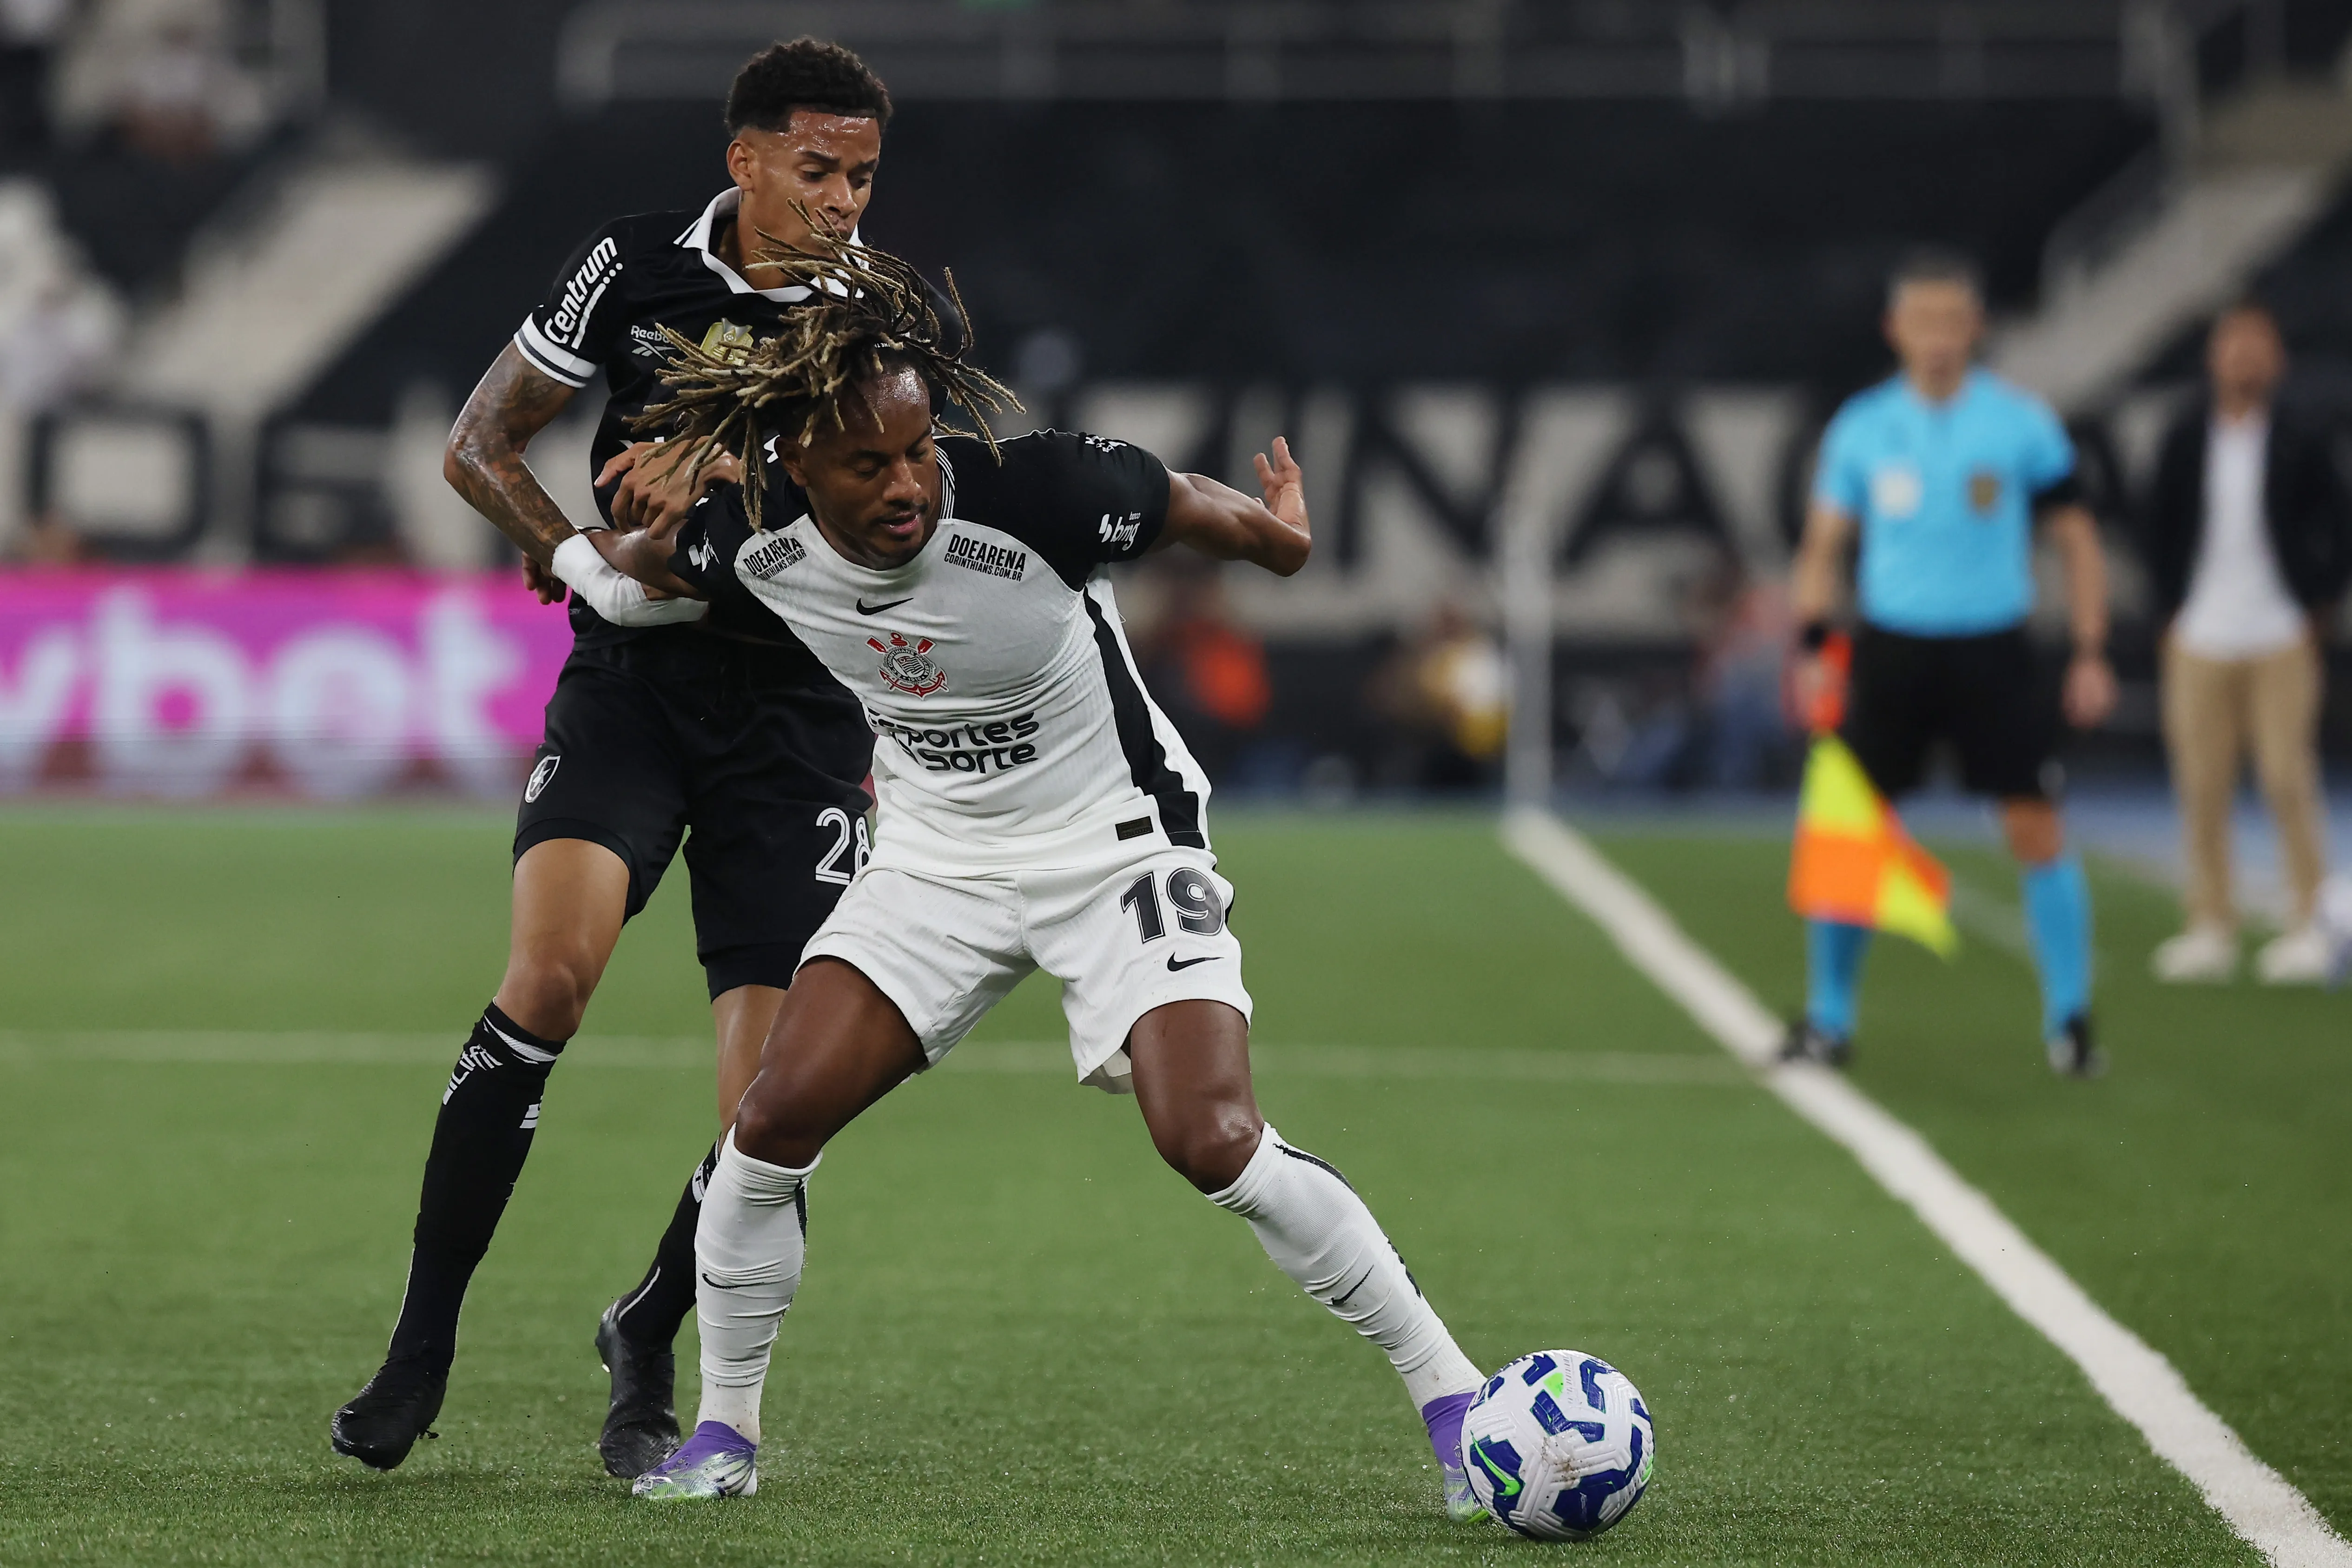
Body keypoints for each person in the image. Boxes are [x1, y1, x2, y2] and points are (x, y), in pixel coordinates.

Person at [590, 235, 1492, 1516]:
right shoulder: (749, 534)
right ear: (796, 463)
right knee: (770, 1122)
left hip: (1114, 839)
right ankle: (725, 1436)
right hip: (936, 859)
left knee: (1211, 1137)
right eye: (869, 464)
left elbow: (1194, 504)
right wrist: (577, 550)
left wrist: (1283, 542)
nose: (909, 483)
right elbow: (650, 560)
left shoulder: (1040, 492)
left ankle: (1456, 1404)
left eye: (918, 449)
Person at [330, 39, 892, 1481]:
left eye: (861, 176)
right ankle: (419, 1346)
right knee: (546, 983)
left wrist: (732, 482)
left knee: (773, 1109)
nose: (843, 201)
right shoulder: (632, 264)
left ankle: (648, 1328)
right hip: (634, 687)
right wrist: (587, 562)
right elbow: (480, 442)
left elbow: (898, 522)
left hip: (798, 718)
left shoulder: (878, 318)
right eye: (818, 170)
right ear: (745, 160)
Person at [1786, 249, 2117, 1077]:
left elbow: (2078, 541)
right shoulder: (1863, 427)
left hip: (1992, 649)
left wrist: (2090, 650)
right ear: (1894, 330)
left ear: (1976, 328)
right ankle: (1829, 1019)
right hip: (1893, 648)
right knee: (1853, 828)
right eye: (1922, 321)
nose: (1937, 337)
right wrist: (1814, 646)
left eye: (1952, 320)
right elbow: (1822, 546)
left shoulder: (2020, 424)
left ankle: (2071, 1020)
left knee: (2033, 823)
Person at [2141, 300, 2352, 985]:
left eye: (2257, 349)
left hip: (2279, 633)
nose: (2245, 361)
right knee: (2202, 785)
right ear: (2214, 358)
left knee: (2288, 779)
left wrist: (2317, 605)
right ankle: (2211, 923)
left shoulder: (2301, 436)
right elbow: (2157, 527)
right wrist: (2169, 612)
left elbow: (2338, 523)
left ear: (2277, 360)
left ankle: (2310, 923)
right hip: (2201, 633)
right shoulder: (2184, 435)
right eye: (2234, 348)